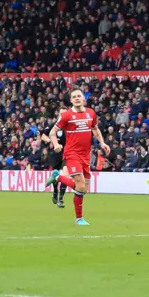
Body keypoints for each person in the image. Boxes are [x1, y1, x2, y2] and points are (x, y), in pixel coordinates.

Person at [45, 87, 110, 225]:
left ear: (83, 98)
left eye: (78, 96)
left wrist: (103, 143)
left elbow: (95, 129)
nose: (76, 98)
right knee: (80, 186)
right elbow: (52, 132)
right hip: (72, 153)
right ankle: (79, 218)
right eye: (74, 97)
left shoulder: (91, 113)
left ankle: (57, 176)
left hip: (86, 154)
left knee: (83, 189)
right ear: (71, 100)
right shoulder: (67, 115)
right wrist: (56, 144)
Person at [41, 106, 68, 208]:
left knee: (65, 175)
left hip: (66, 154)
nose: (63, 115)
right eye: (61, 114)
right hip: (54, 155)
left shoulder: (70, 126)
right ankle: (55, 191)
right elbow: (43, 135)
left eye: (65, 114)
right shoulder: (54, 125)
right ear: (59, 115)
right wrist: (52, 141)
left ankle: (61, 199)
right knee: (56, 177)